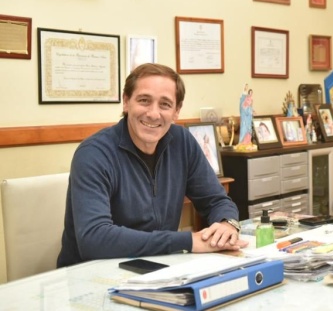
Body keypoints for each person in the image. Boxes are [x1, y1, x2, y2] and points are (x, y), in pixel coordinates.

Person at [57, 63, 247, 267]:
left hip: (157, 268)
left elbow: (217, 200)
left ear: (176, 111)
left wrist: (227, 224)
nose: (153, 114)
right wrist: (188, 241)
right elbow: (94, 239)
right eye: (144, 100)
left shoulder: (182, 142)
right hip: (92, 274)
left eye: (165, 104)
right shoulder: (94, 154)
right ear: (126, 102)